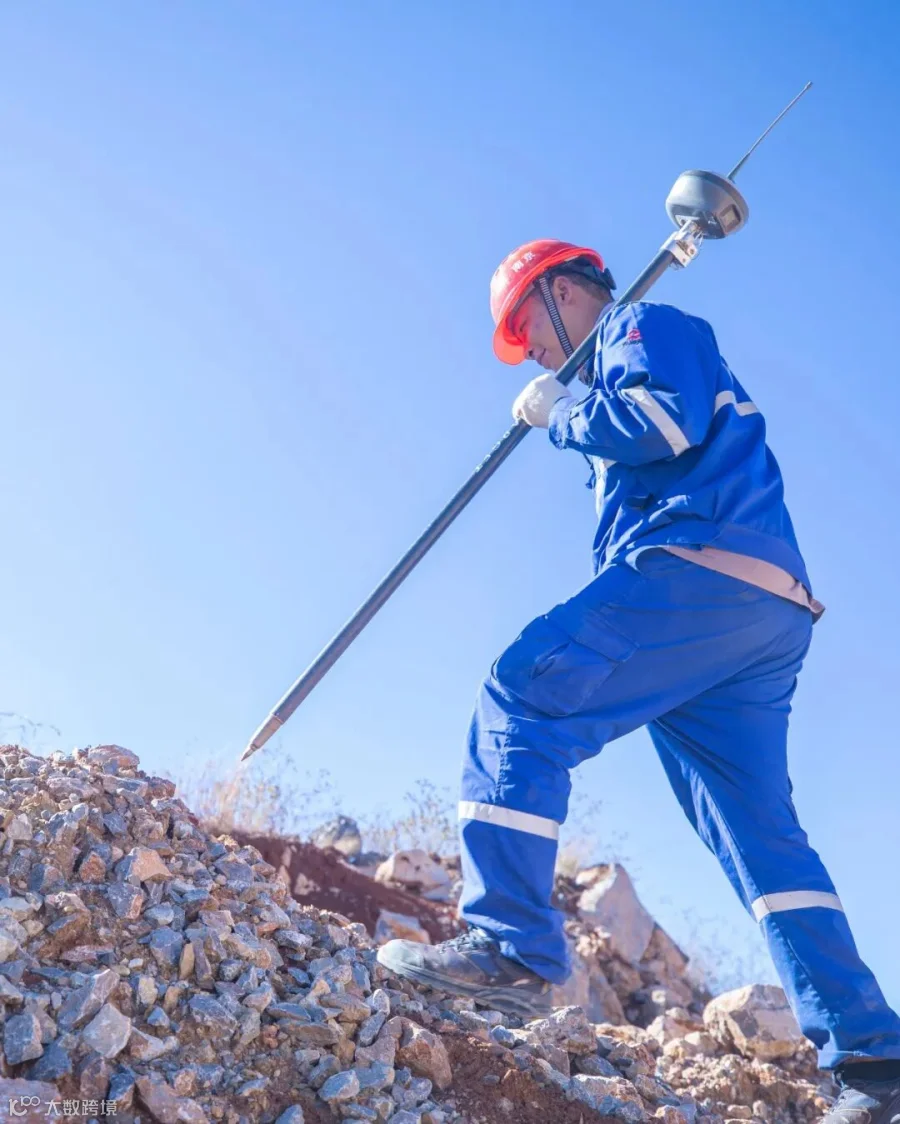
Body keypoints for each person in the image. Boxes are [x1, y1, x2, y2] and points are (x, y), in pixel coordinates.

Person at [377, 239, 900, 1120]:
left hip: (702, 570)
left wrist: (562, 416)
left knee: (523, 694)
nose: (532, 352)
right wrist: (577, 418)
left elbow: (662, 423)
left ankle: (510, 946)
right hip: (759, 606)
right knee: (760, 842)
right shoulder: (621, 362)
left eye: (526, 327)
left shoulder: (640, 325)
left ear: (565, 290)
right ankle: (875, 1060)